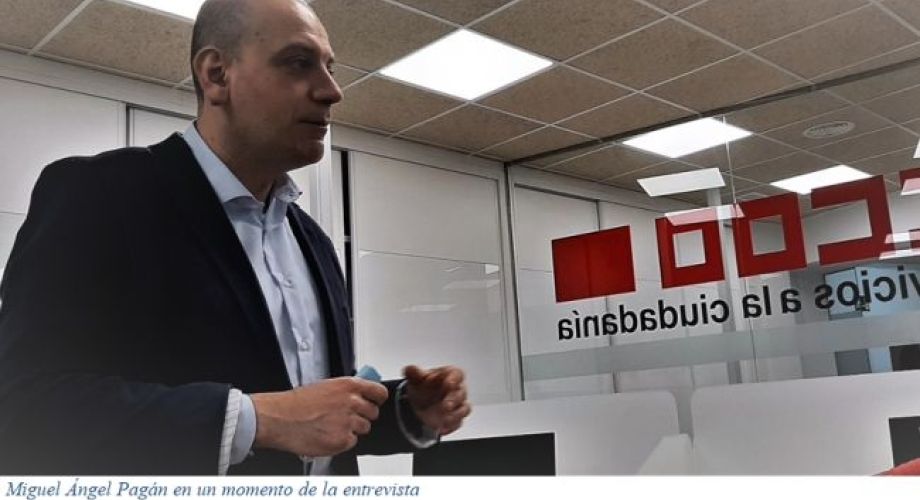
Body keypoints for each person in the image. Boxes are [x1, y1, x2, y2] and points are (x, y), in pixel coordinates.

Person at [0, 0, 470, 475]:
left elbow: (314, 418)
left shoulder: (314, 241)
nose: (332, 92)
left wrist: (406, 412)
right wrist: (255, 420)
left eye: (329, 69)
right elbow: (23, 407)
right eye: (298, 63)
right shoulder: (99, 196)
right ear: (216, 74)